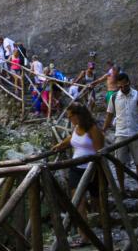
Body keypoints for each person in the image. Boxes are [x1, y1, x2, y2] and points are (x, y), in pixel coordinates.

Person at [52, 103, 104, 247]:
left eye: (71, 116)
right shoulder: (76, 127)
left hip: (92, 170)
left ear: (79, 115)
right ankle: (84, 236)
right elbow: (72, 138)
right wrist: (61, 145)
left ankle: (104, 227)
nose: (69, 119)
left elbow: (100, 151)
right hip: (76, 169)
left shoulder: (93, 129)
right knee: (78, 203)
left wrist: (97, 169)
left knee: (97, 203)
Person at [103, 72, 138, 197]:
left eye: (124, 86)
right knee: (119, 163)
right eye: (120, 86)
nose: (122, 88)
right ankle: (122, 189)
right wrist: (103, 130)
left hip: (136, 133)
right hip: (120, 134)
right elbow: (109, 115)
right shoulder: (114, 97)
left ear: (128, 82)